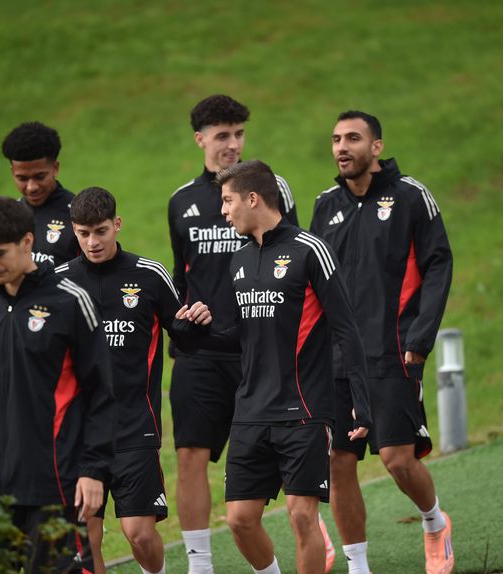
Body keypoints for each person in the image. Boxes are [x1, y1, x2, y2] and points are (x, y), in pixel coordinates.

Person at [168, 94, 339, 573]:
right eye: (223, 135)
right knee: (193, 458)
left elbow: (298, 265)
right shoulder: (180, 202)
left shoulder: (270, 188)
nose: (233, 144)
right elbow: (183, 278)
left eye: (239, 134)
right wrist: (186, 333)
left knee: (299, 503)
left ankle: (315, 533)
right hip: (209, 351)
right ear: (200, 138)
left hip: (273, 357)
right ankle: (200, 565)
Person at [310, 111, 454, 574]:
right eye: (335, 139)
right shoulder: (325, 204)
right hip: (335, 357)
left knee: (396, 460)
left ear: (376, 146)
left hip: (393, 349)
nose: (341, 147)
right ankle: (358, 566)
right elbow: (312, 282)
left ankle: (434, 524)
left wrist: (420, 336)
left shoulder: (411, 196)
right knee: (338, 462)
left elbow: (438, 265)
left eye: (353, 138)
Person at [213, 160, 371, 574]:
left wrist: (360, 399)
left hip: (304, 410)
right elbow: (238, 337)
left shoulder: (310, 250)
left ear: (252, 198)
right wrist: (192, 330)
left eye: (228, 201)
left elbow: (347, 331)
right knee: (239, 520)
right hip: (250, 412)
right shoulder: (239, 260)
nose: (224, 211)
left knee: (302, 517)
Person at [56, 187, 213, 574]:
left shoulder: (149, 275)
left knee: (139, 534)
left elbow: (186, 339)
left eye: (100, 231)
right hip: (79, 434)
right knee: (87, 540)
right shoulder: (57, 282)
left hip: (133, 428)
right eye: (83, 233)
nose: (92, 242)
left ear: (117, 225)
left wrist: (198, 322)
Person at [0, 197, 114, 574]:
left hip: (55, 483)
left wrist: (93, 470)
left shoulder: (71, 301)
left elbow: (101, 393)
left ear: (27, 242)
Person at [2, 121, 80, 266]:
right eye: (22, 178)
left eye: (40, 177)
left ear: (55, 168)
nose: (32, 187)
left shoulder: (79, 216)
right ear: (12, 172)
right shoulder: (7, 218)